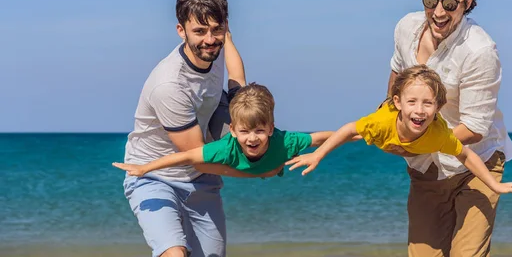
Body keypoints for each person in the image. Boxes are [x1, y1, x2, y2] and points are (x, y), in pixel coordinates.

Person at [121, 0, 273, 257]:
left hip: (201, 181)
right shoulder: (169, 85)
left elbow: (236, 78)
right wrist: (257, 172)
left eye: (217, 29)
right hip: (155, 175)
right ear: (182, 31)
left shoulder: (215, 48)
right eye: (199, 31)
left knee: (247, 111)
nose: (210, 39)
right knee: (174, 252)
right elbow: (197, 156)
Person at [389, 0, 512, 256]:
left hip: (478, 162)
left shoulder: (480, 51)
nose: (438, 12)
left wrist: (413, 143)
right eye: (431, 0)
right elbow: (397, 74)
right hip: (427, 167)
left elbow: (473, 128)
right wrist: (389, 125)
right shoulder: (406, 27)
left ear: (467, 2)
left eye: (449, 4)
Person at [285, 65, 512, 201]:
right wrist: (318, 155)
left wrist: (495, 186)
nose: (419, 111)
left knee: (361, 136)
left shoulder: (438, 134)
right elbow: (349, 128)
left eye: (428, 104)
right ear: (398, 102)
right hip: (387, 125)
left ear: (438, 108)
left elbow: (466, 155)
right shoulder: (380, 123)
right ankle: (313, 139)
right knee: (358, 135)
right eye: (412, 102)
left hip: (403, 137)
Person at [114, 83, 345, 177]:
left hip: (244, 116)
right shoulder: (226, 148)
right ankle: (229, 46)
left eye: (260, 132)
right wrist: (144, 168)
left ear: (271, 129)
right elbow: (185, 156)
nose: (253, 139)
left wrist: (362, 134)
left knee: (240, 89)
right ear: (235, 132)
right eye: (246, 133)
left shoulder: (286, 141)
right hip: (222, 123)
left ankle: (228, 42)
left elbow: (320, 138)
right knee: (235, 92)